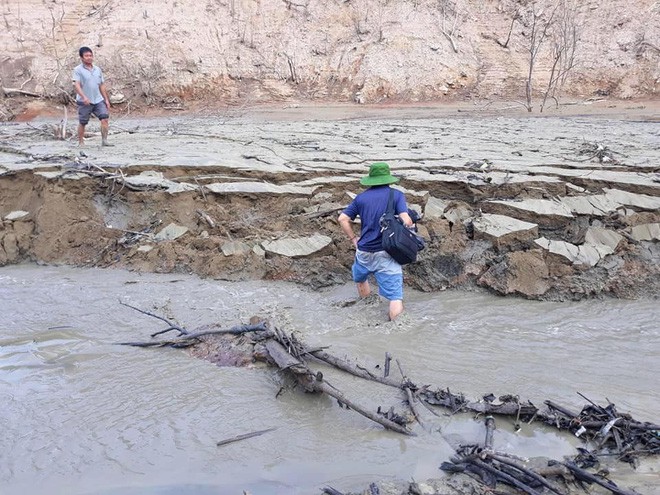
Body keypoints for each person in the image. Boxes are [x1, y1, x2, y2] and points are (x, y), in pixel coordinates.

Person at [338, 162, 413, 321]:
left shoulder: (361, 198)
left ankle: (366, 307)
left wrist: (353, 238)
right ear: (388, 178)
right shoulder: (396, 195)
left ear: (371, 179)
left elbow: (342, 219)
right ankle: (397, 330)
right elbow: (406, 221)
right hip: (387, 251)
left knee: (361, 278)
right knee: (395, 297)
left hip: (363, 251)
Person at [72, 46, 112, 146]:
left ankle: (104, 141)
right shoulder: (78, 70)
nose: (89, 57)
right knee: (83, 122)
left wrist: (106, 99)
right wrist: (84, 97)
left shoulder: (97, 69)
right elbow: (76, 85)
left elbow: (101, 85)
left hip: (98, 99)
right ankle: (81, 141)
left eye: (90, 55)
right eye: (86, 56)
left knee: (104, 118)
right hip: (84, 100)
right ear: (81, 57)